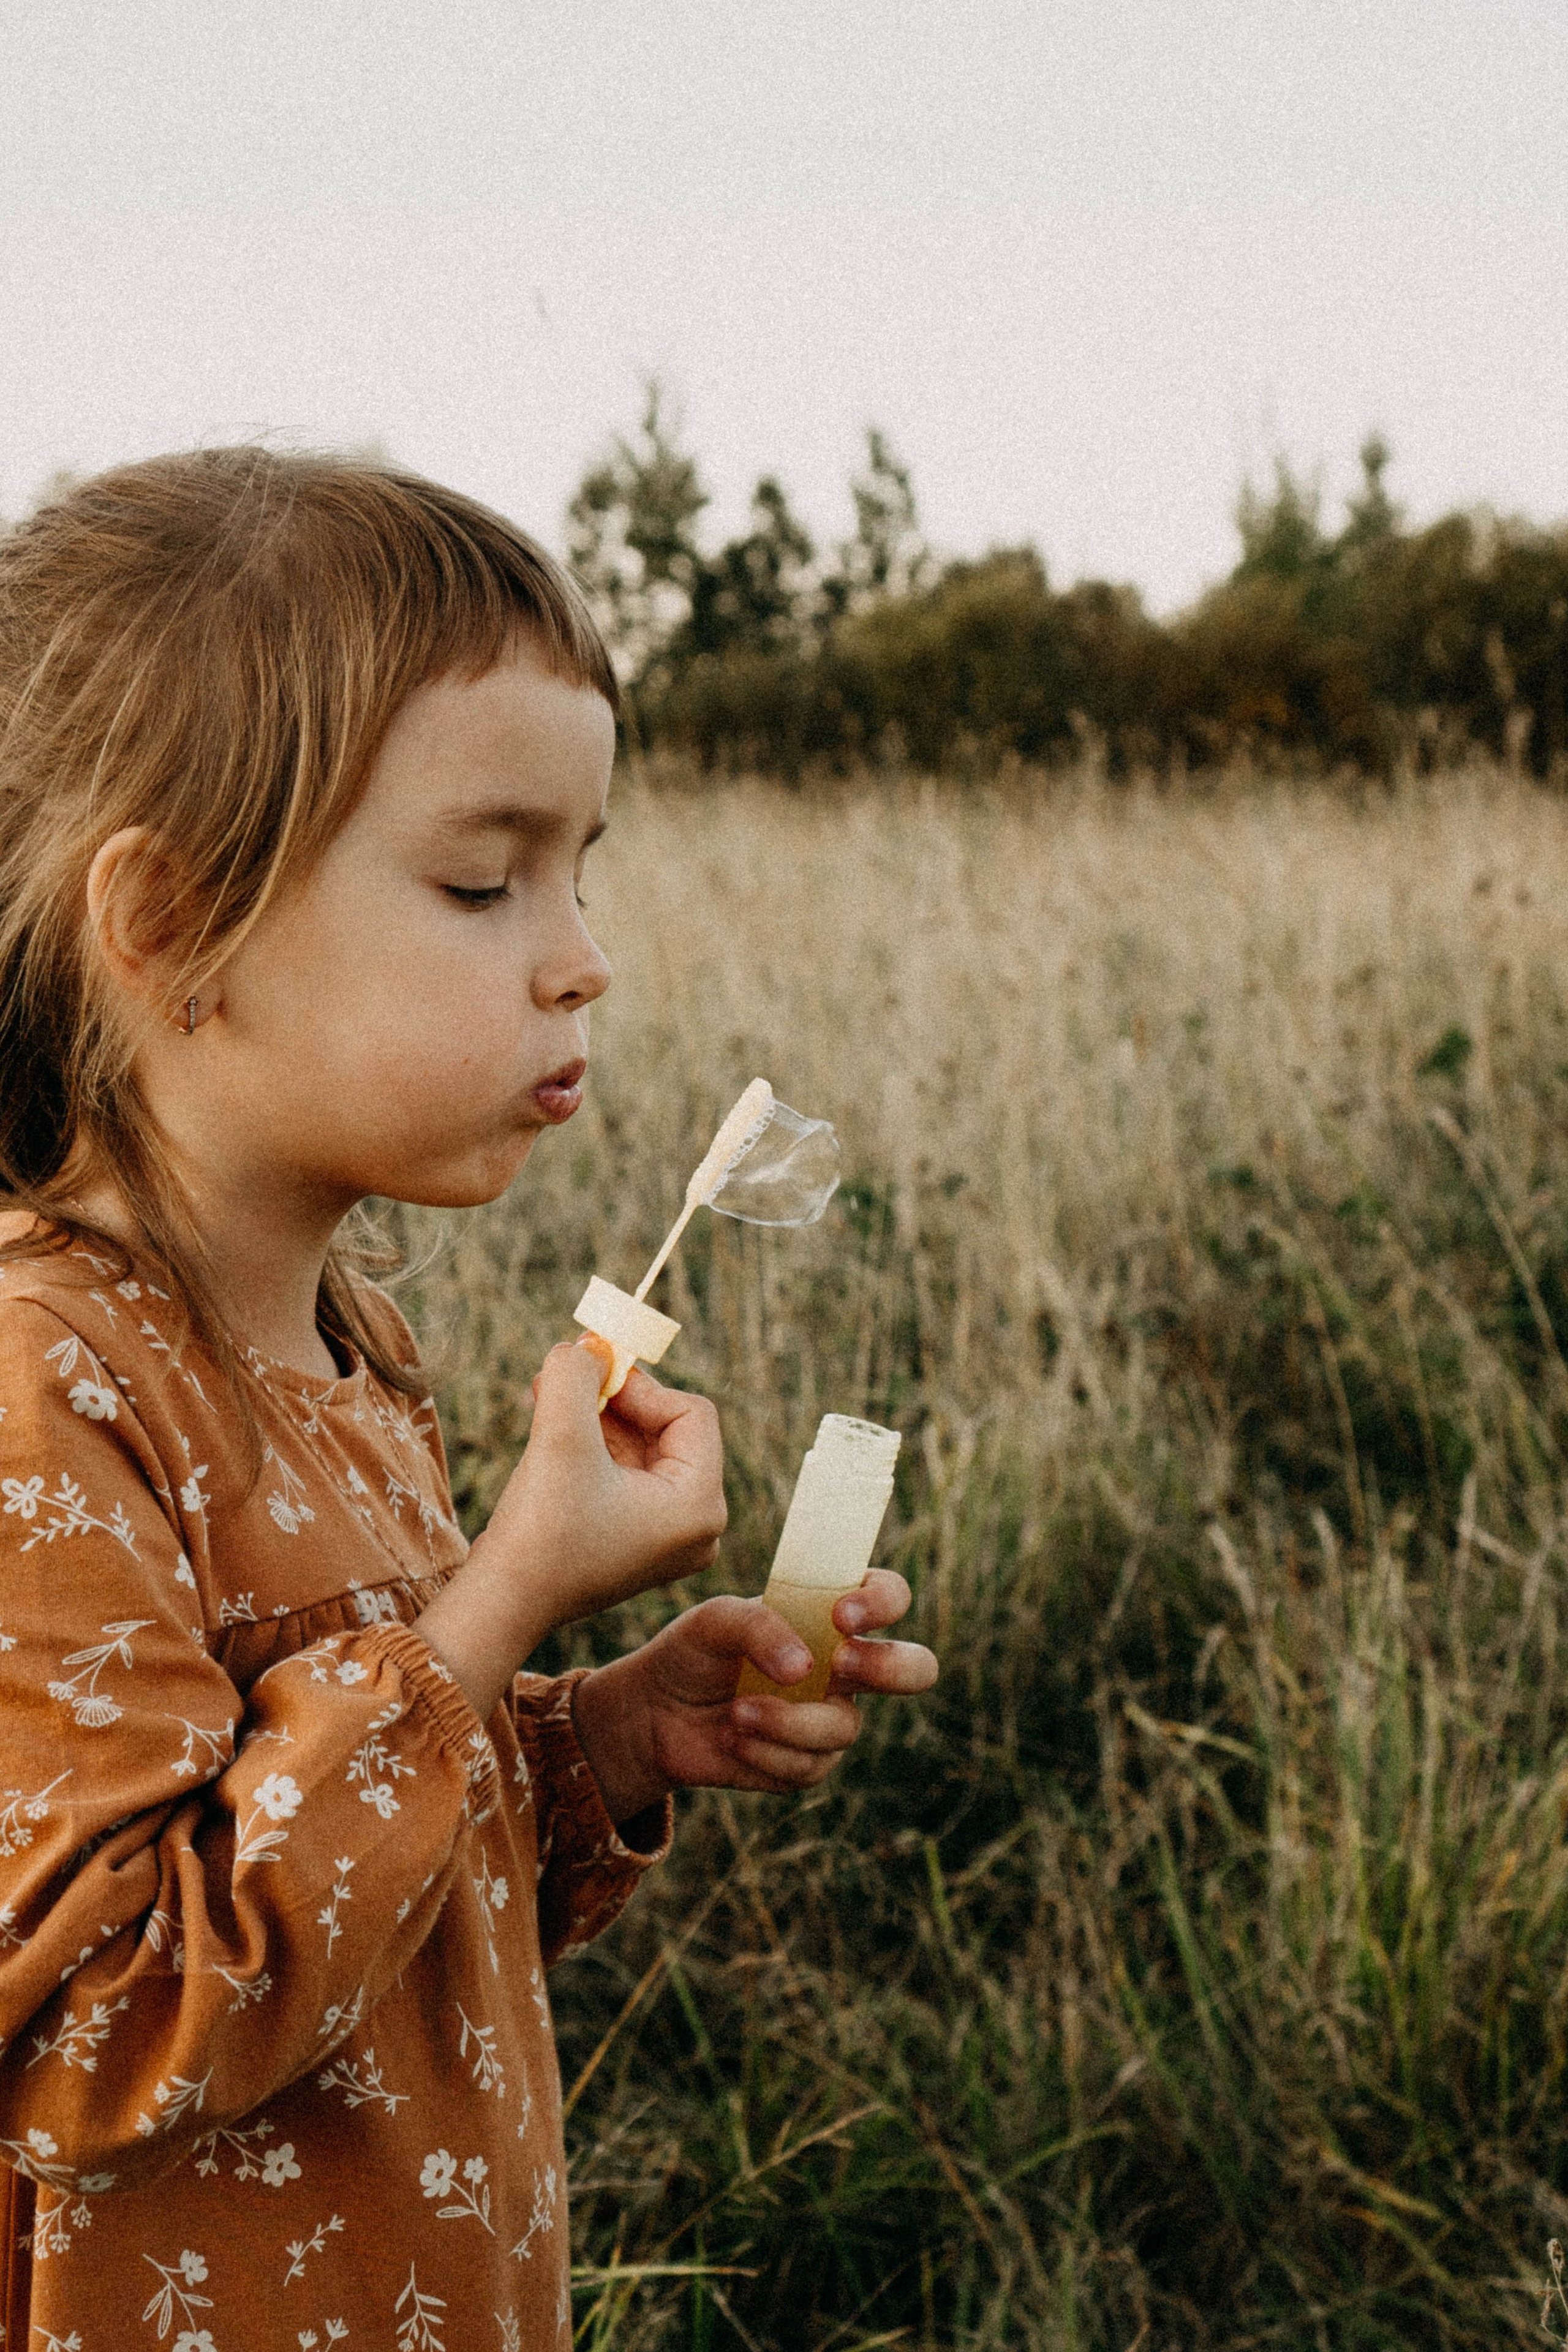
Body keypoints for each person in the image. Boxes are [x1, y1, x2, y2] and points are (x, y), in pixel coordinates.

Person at [0, 448, 937, 2350]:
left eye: (582, 876)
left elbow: (373, 1913)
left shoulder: (351, 1351)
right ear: (170, 927)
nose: (583, 960)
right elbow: (108, 2026)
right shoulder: (42, 1387)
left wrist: (592, 1743)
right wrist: (500, 1597)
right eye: (482, 880)